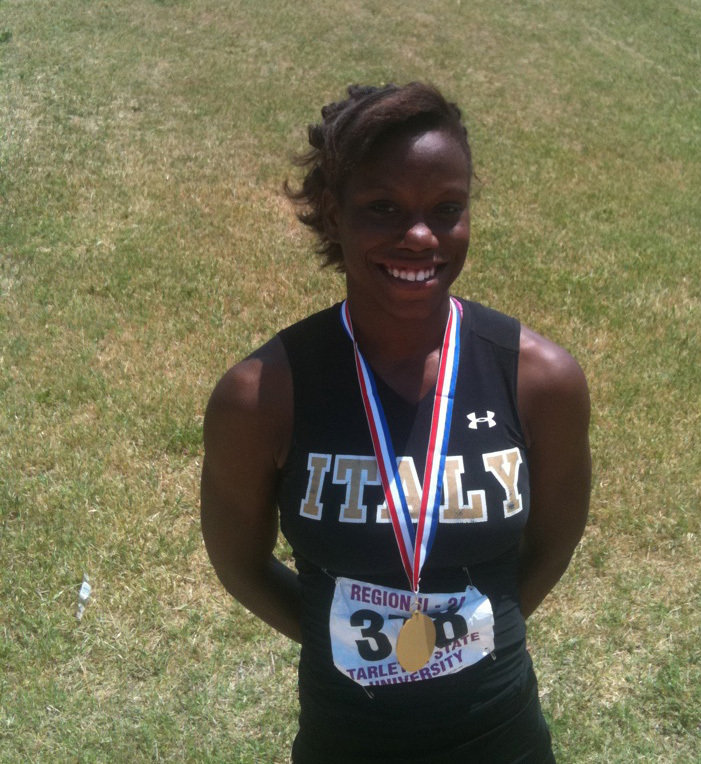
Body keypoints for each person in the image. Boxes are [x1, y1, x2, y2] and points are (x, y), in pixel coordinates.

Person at [201, 82, 591, 763]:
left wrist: (467, 634)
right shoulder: (261, 395)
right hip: (345, 737)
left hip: (500, 733)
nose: (420, 237)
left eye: (447, 210)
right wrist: (343, 643)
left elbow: (552, 544)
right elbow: (240, 563)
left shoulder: (540, 380)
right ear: (333, 211)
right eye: (384, 208)